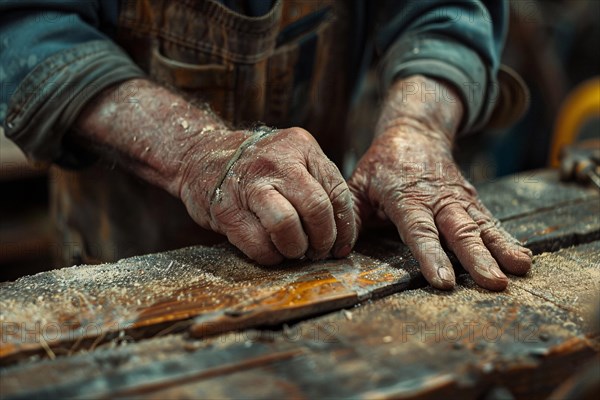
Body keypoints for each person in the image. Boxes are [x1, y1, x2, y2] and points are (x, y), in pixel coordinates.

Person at [0, 0, 532, 291]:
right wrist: (194, 154)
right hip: (122, 260)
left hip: (316, 267)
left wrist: (416, 129)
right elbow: (26, 28)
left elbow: (444, 14)